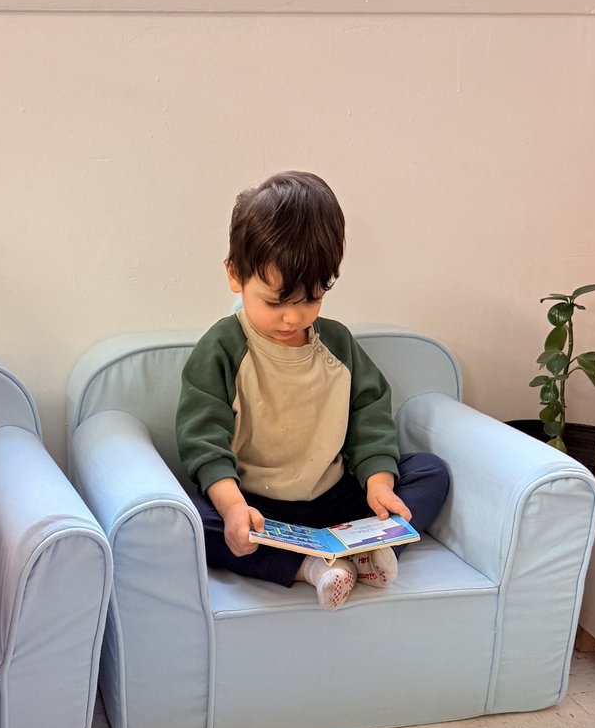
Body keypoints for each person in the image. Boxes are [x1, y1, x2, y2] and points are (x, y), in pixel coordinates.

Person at [176, 171, 450, 610]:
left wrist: (379, 483)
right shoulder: (223, 348)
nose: (292, 318)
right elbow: (201, 440)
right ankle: (311, 568)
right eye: (275, 302)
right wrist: (231, 506)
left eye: (311, 299)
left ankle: (366, 553)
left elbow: (369, 414)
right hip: (257, 508)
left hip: (334, 501)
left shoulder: (337, 345)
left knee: (430, 471)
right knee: (189, 522)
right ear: (235, 275)